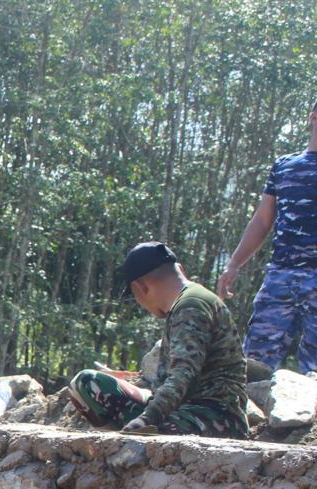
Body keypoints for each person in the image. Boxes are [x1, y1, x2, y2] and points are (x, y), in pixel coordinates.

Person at [69, 242, 248, 438]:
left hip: (216, 415)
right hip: (181, 408)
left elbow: (183, 374)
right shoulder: (188, 301)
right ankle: (126, 436)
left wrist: (148, 418)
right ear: (180, 269)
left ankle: (129, 439)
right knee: (87, 383)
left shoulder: (191, 306)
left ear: (140, 287)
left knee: (160, 433)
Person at [217, 100, 317, 372]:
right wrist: (234, 264)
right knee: (255, 365)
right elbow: (262, 220)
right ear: (314, 118)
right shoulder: (284, 166)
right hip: (281, 277)